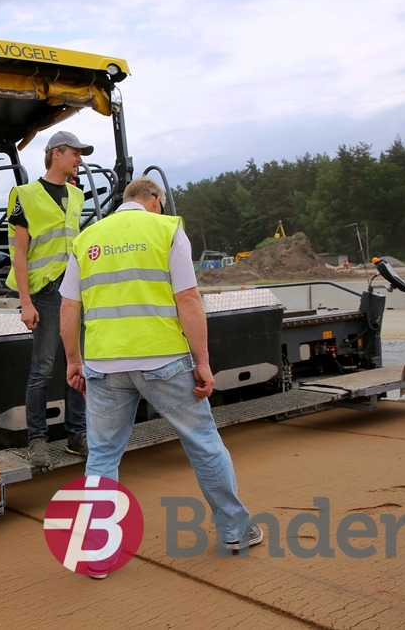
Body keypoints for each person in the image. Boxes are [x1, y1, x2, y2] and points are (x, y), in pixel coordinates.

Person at [59, 176, 262, 578]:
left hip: (104, 363)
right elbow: (187, 298)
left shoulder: (86, 238)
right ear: (154, 200)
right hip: (163, 360)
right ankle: (235, 531)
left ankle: (97, 554)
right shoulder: (167, 229)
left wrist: (73, 361)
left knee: (103, 456)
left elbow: (69, 306)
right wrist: (203, 362)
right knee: (203, 444)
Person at [6, 130, 90, 468]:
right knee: (42, 369)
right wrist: (25, 302)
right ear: (57, 153)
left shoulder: (77, 195)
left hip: (75, 292)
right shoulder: (25, 195)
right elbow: (19, 254)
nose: (80, 160)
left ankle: (77, 435)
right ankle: (37, 440)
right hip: (46, 292)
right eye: (75, 153)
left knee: (78, 365)